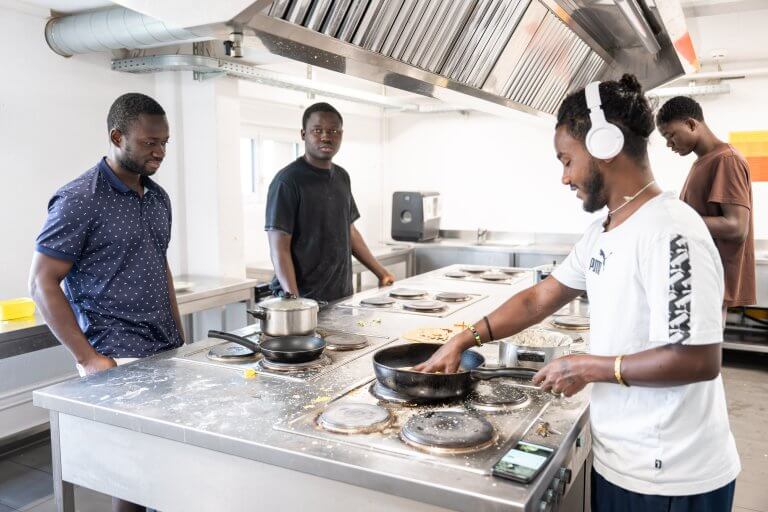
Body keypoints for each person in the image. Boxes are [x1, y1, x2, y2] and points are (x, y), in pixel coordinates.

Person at [416, 75, 739, 511]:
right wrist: (464, 338)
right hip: (622, 459)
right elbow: (538, 300)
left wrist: (587, 367)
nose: (564, 177)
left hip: (671, 476)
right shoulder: (603, 232)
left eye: (567, 160)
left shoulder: (672, 230)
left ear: (605, 145)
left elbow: (697, 359)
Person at [30, 93, 184, 512]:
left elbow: (160, 265)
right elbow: (42, 282)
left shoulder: (157, 197)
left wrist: (178, 334)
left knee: (166, 468)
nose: (160, 151)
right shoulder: (80, 198)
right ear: (117, 137)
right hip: (116, 353)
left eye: (164, 142)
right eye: (150, 142)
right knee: (134, 477)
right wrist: (89, 359)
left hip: (163, 348)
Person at [265, 102, 395, 302]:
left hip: (340, 296)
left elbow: (350, 232)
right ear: (303, 134)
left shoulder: (342, 176)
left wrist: (381, 273)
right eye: (317, 130)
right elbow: (279, 248)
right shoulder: (287, 181)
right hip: (303, 298)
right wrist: (295, 302)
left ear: (341, 135)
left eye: (333, 131)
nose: (326, 137)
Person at [656, 96, 755, 317]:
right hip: (697, 280)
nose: (669, 144)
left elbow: (737, 227)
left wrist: (676, 218)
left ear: (691, 124)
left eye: (670, 135)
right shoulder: (702, 162)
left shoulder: (727, 159)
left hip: (712, 283)